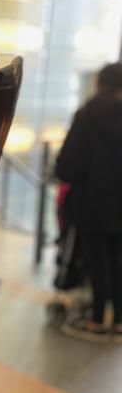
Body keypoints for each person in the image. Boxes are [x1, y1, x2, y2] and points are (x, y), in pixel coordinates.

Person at [56, 62, 122, 342]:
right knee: (119, 260)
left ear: (100, 83)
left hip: (93, 201)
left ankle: (96, 320)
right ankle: (119, 321)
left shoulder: (88, 114)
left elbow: (68, 164)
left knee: (96, 261)